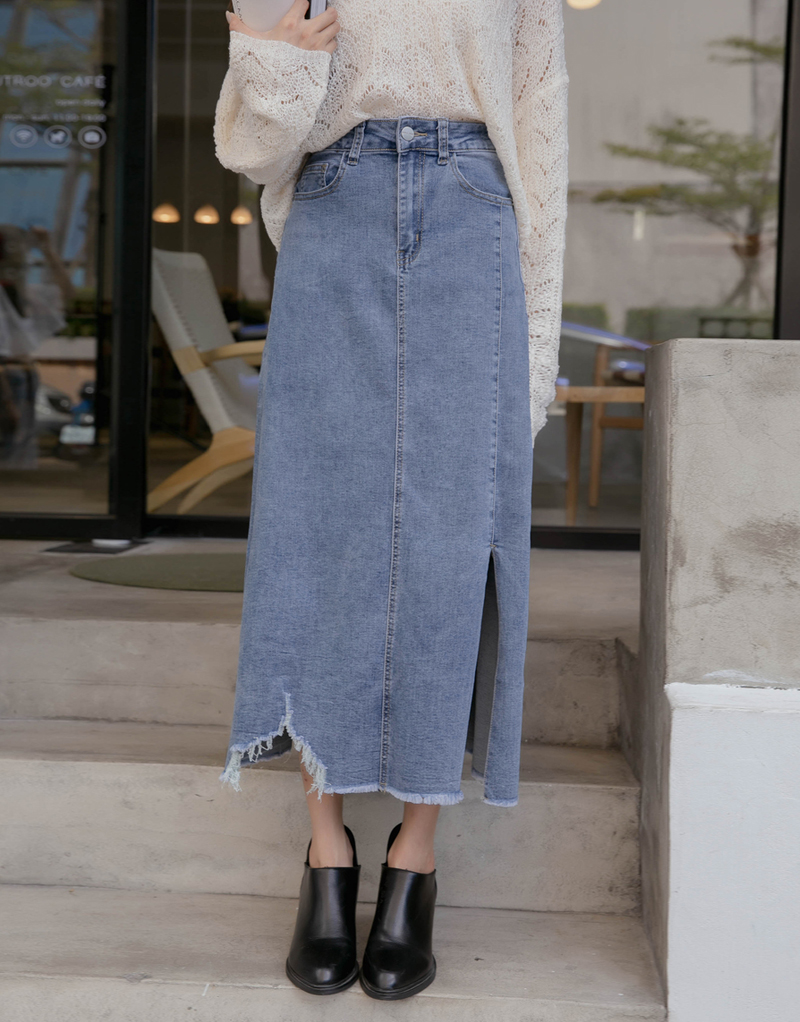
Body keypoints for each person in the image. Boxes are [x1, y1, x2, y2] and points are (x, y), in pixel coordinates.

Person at [214, 0, 568, 1000]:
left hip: (475, 211)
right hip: (336, 205)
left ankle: (415, 850)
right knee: (314, 533)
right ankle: (327, 849)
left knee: (453, 543)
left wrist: (536, 349)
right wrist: (276, 61)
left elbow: (540, 134)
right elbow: (254, 149)